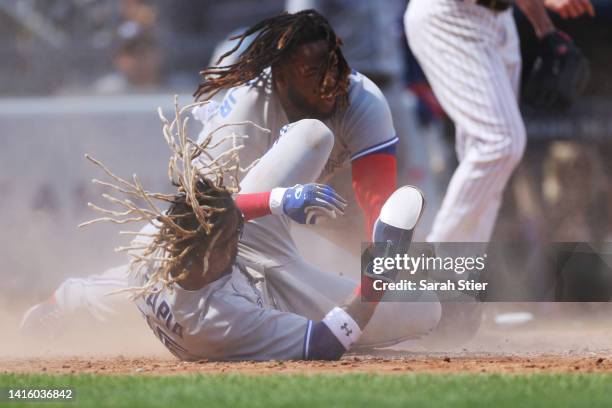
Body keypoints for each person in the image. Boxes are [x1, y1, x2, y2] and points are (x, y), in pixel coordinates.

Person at [21, 10, 417, 332]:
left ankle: (459, 297)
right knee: (170, 271)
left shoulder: (363, 99)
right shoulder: (245, 109)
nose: (331, 80)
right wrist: (278, 200)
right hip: (248, 207)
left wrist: (381, 286)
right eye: (313, 72)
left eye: (334, 65)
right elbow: (197, 214)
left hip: (332, 200)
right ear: (281, 77)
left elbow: (377, 208)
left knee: (417, 292)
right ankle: (74, 300)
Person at [404, 0, 594, 243]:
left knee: (492, 169)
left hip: (499, 17)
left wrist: (544, 28)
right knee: (500, 143)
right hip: (450, 15)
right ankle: (436, 266)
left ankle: (456, 274)